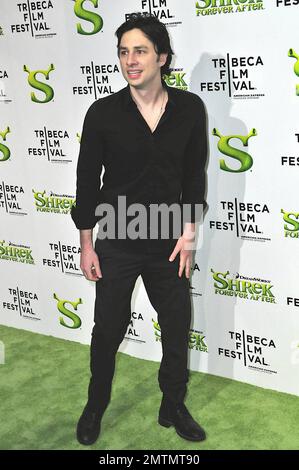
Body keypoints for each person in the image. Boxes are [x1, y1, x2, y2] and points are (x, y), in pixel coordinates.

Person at [71, 12, 208, 446]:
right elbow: (86, 181)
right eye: (124, 51)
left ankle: (173, 403)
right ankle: (95, 405)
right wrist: (87, 244)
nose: (131, 60)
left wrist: (188, 233)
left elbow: (194, 175)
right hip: (116, 236)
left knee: (175, 323)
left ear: (162, 57)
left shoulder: (189, 108)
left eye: (141, 51)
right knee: (107, 327)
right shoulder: (102, 113)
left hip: (169, 238)